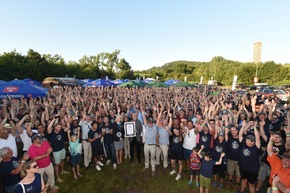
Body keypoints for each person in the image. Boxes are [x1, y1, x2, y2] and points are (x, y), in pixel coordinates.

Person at [47, 118, 69, 183]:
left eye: (60, 127)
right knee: (57, 164)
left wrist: (66, 120)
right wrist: (53, 120)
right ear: (55, 127)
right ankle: (57, 177)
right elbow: (48, 128)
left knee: (62, 160)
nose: (59, 128)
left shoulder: (61, 131)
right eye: (58, 127)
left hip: (62, 149)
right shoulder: (51, 133)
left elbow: (68, 127)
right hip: (56, 151)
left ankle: (62, 171)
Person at [141, 110, 158, 176]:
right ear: (148, 123)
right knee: (146, 156)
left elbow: (157, 118)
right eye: (149, 122)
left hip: (153, 146)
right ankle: (146, 166)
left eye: (152, 122)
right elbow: (144, 118)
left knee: (153, 158)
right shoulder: (146, 126)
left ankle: (153, 169)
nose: (150, 123)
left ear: (153, 123)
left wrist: (155, 111)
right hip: (146, 145)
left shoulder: (155, 127)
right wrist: (142, 112)